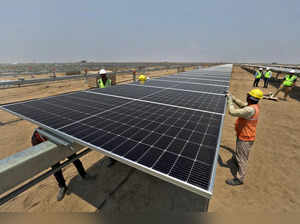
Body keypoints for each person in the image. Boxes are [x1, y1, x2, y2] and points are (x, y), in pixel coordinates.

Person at [31, 130, 95, 201]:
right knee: (56, 169)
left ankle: (83, 174)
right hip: (51, 153)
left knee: (75, 159)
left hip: (63, 146)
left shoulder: (55, 129)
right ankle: (62, 186)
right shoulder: (36, 138)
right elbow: (38, 151)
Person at [225, 88, 263, 186]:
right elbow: (242, 104)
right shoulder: (253, 106)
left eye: (248, 95)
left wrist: (229, 101)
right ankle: (236, 160)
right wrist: (233, 97)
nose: (246, 96)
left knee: (243, 158)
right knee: (239, 151)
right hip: (243, 134)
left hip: (246, 137)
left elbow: (232, 112)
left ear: (250, 97)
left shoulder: (250, 110)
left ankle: (239, 179)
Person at [96, 69, 116, 167]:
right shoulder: (98, 82)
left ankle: (113, 157)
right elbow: (97, 91)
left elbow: (114, 91)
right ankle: (111, 158)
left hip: (110, 105)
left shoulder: (110, 81)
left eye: (104, 75)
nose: (103, 76)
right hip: (102, 105)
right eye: (101, 75)